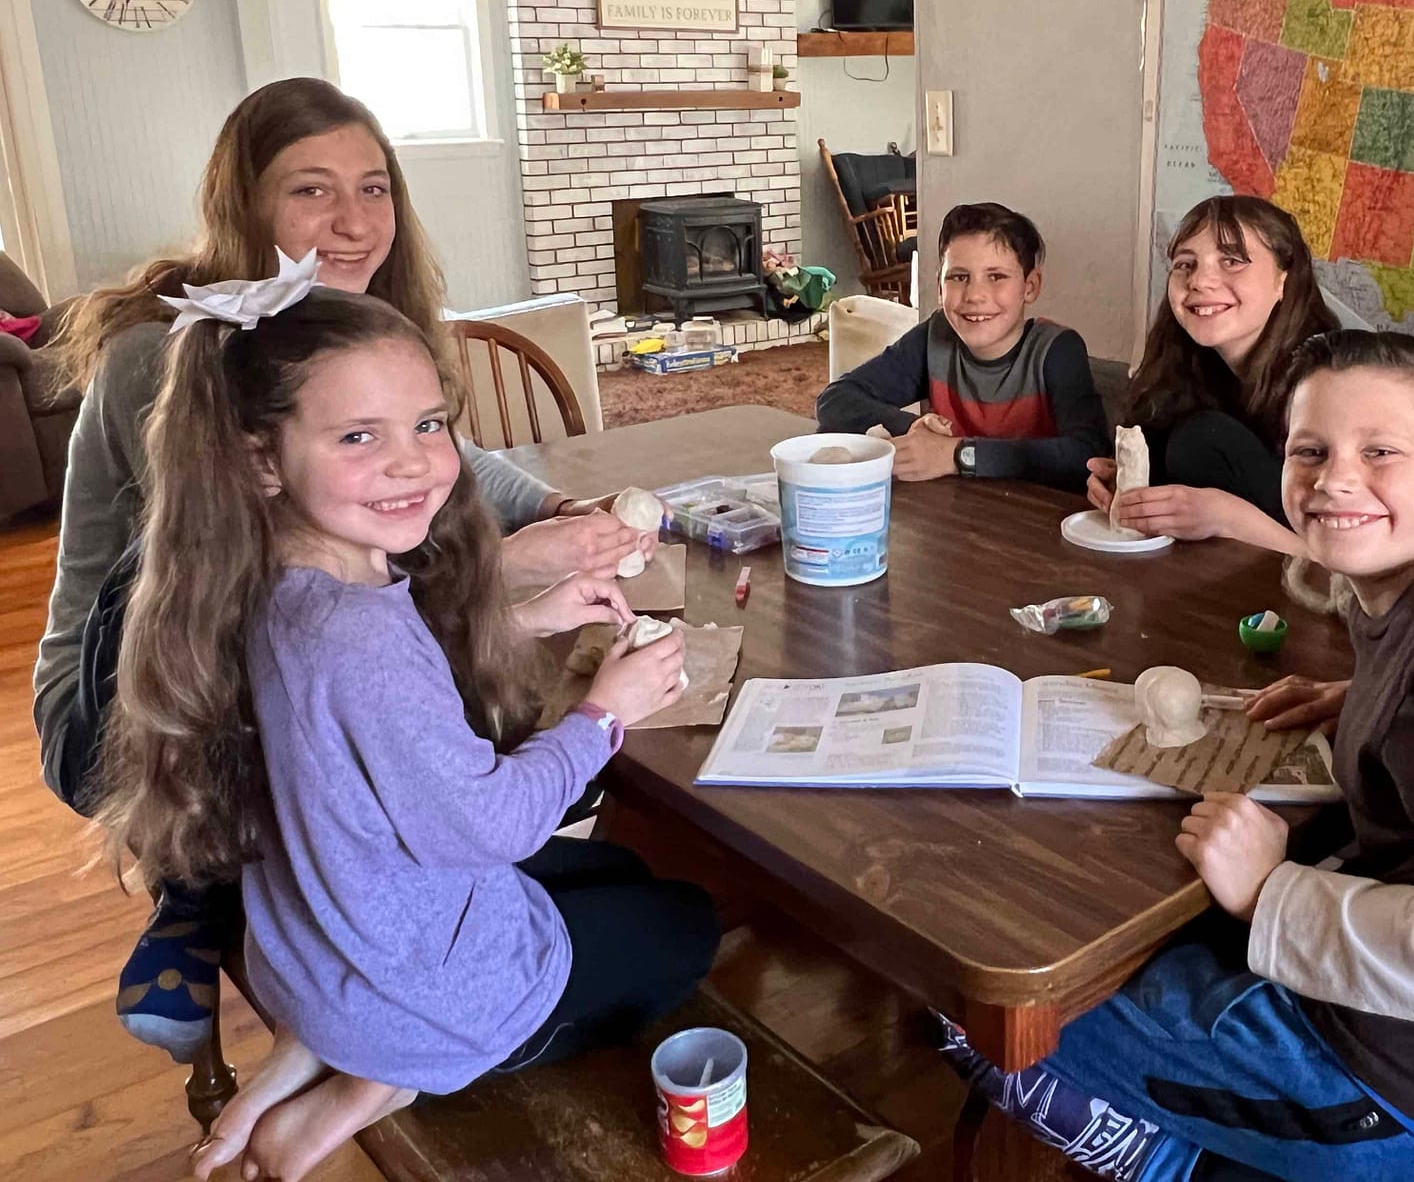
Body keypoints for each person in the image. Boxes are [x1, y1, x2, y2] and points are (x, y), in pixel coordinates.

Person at [34, 78, 648, 1059]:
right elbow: (251, 598)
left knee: (411, 654)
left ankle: (364, 901)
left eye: (374, 188)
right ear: (246, 209)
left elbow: (444, 459)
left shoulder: (346, 320)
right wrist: (496, 576)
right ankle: (199, 888)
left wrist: (545, 509)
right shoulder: (185, 352)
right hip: (121, 704)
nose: (354, 221)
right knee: (374, 656)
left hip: (243, 650)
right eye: (311, 191)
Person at [943, 330, 1414, 1181]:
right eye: (1309, 450)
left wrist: (1274, 893)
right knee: (1152, 965)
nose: (1335, 479)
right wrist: (1368, 703)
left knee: (976, 1016)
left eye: (1380, 451)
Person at [89, 276, 718, 1182]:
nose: (415, 462)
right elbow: (492, 824)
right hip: (403, 970)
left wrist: (528, 618)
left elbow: (383, 685)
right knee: (684, 924)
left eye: (429, 424)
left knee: (613, 870)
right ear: (262, 459)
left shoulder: (280, 577)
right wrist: (604, 713)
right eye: (358, 437)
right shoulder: (355, 639)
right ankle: (377, 1079)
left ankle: (315, 1050)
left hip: (319, 941)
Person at [1087, 195, 1338, 553]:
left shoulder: (1333, 381)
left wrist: (1226, 517)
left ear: (1284, 279)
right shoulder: (1181, 371)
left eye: (1232, 261)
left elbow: (1353, 566)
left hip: (1324, 595)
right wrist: (1138, 489)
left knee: (1202, 437)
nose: (1201, 281)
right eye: (1185, 264)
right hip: (1219, 591)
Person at [814, 202, 1106, 490]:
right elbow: (835, 400)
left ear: (1029, 287)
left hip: (1033, 523)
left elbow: (1088, 455)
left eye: (996, 277)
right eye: (959, 277)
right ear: (939, 289)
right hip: (952, 519)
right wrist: (915, 429)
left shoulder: (1056, 350)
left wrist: (958, 454)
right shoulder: (935, 338)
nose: (975, 295)